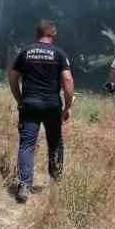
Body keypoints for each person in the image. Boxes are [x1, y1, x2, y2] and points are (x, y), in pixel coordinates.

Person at [7, 19, 73, 203]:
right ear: (53, 34)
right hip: (52, 105)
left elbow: (12, 77)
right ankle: (56, 181)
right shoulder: (59, 53)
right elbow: (67, 81)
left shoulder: (25, 52)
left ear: (37, 34)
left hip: (30, 105)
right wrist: (68, 107)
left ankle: (24, 186)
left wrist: (20, 99)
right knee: (55, 142)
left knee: (27, 144)